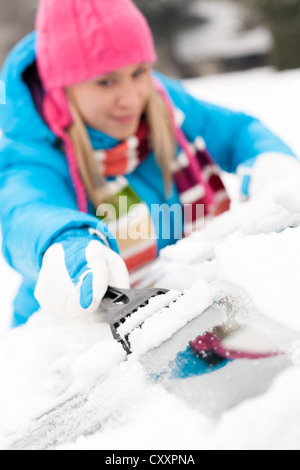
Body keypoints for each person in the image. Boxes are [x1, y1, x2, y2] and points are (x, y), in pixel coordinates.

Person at [0, 0, 298, 328]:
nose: (130, 98)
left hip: (180, 315)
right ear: (63, 86)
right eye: (106, 81)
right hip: (71, 348)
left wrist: (269, 160)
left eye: (138, 71)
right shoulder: (33, 151)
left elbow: (238, 132)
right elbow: (27, 212)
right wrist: (64, 244)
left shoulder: (167, 105)